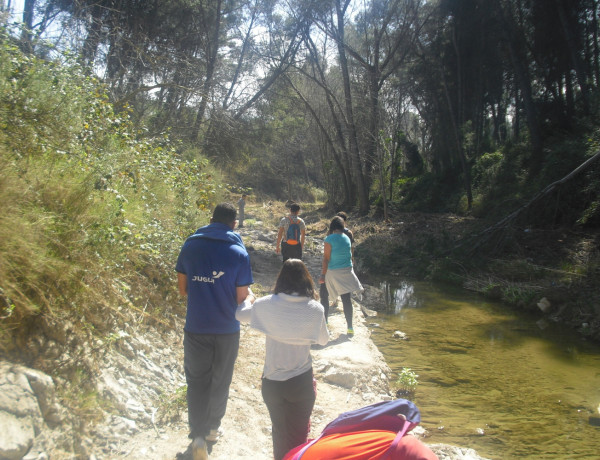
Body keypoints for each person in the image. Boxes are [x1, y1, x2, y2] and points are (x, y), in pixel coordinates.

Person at [175, 202, 253, 460]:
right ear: (233, 224)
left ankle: (197, 433)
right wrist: (250, 296)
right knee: (221, 380)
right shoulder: (238, 253)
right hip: (227, 329)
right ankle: (212, 430)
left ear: (211, 219)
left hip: (196, 326)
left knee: (196, 380)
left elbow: (183, 289)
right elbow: (242, 297)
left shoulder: (191, 245)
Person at [236, 259, 328, 460]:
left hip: (272, 382)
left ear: (281, 279)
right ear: (306, 280)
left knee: (279, 433)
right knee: (299, 435)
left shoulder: (266, 304)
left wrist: (249, 299)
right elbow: (323, 340)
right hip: (301, 381)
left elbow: (240, 315)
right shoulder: (315, 309)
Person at [319, 216, 362, 336]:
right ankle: (350, 327)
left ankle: (325, 322)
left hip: (333, 272)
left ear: (332, 226)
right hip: (347, 272)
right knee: (346, 299)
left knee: (324, 295)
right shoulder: (347, 238)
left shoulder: (329, 239)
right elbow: (349, 256)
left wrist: (323, 275)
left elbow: (326, 259)